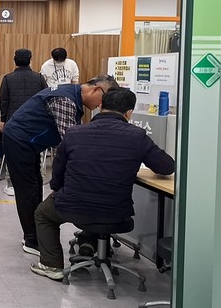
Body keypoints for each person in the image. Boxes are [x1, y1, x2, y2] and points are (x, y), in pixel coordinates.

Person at [30, 88, 175, 280]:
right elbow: (166, 166)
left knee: (43, 213)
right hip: (116, 212)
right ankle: (89, 242)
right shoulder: (137, 136)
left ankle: (51, 265)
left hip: (74, 207)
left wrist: (60, 192)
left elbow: (58, 173)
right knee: (98, 202)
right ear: (129, 113)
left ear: (100, 107)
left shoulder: (74, 133)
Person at [2, 75, 119, 256]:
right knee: (28, 190)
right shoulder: (66, 100)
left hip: (29, 142)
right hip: (19, 140)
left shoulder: (71, 95)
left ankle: (35, 234)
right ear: (96, 89)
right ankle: (31, 239)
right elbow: (69, 142)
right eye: (103, 100)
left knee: (35, 185)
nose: (100, 106)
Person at [0, 49, 48, 195]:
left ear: (15, 60)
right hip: (35, 122)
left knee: (12, 153)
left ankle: (11, 184)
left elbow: (4, 101)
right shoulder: (39, 78)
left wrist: (3, 120)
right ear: (30, 60)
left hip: (14, 122)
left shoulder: (8, 79)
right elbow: (46, 99)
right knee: (36, 152)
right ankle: (37, 182)